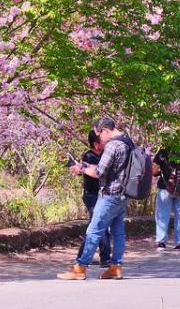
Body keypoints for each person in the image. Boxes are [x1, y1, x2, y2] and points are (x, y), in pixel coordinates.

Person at [58, 116, 132, 281]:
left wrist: (81, 168)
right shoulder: (127, 141)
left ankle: (80, 267)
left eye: (99, 134)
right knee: (118, 232)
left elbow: (99, 173)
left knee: (93, 231)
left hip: (109, 195)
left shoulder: (113, 145)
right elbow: (109, 168)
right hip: (123, 194)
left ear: (105, 130)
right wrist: (86, 166)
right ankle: (116, 267)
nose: (99, 138)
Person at [73, 131, 112, 267]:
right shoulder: (89, 156)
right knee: (101, 225)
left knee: (95, 226)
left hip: (102, 195)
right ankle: (106, 258)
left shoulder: (103, 155)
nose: (106, 143)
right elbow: (92, 172)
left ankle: (82, 256)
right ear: (96, 144)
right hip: (92, 196)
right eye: (103, 141)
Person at [153, 146, 180, 252]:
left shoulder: (162, 152)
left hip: (165, 187)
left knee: (162, 215)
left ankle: (161, 242)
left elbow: (154, 171)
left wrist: (161, 170)